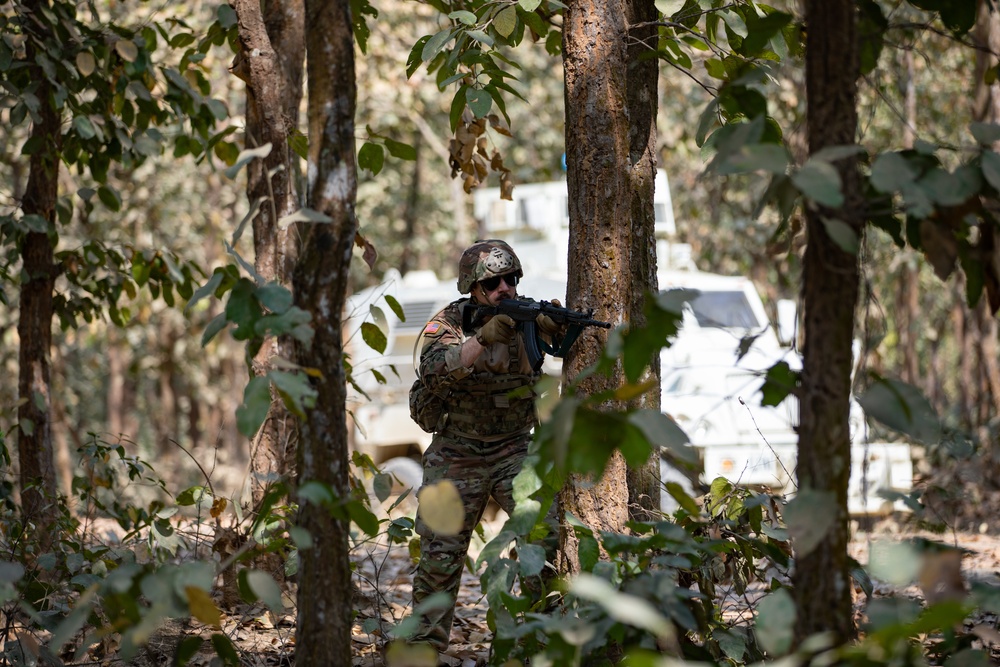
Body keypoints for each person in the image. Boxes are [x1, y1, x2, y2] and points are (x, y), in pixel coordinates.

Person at [407, 239, 562, 654]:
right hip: (457, 452)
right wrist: (482, 339)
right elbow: (434, 372)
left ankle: (537, 640)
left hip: (514, 449)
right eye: (494, 282)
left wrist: (556, 326)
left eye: (511, 279)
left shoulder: (527, 313)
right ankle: (423, 649)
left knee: (545, 535)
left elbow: (563, 346)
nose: (505, 289)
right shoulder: (451, 323)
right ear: (473, 288)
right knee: (441, 556)